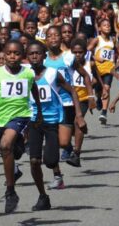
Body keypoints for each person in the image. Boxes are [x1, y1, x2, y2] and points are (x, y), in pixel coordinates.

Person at [0, 39, 42, 214]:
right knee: (8, 151)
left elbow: (34, 90)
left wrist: (39, 111)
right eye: (9, 53)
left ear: (22, 56)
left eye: (16, 53)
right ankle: (18, 150)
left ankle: (10, 191)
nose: (12, 57)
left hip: (21, 115)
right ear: (4, 55)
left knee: (5, 145)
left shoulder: (28, 73)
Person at [26, 40, 85, 210]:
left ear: (44, 56)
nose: (34, 56)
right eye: (31, 54)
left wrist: (79, 115)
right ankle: (42, 196)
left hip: (52, 122)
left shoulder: (52, 73)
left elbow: (72, 90)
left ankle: (57, 170)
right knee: (34, 161)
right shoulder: (25, 74)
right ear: (27, 57)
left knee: (50, 160)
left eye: (37, 53)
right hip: (33, 121)